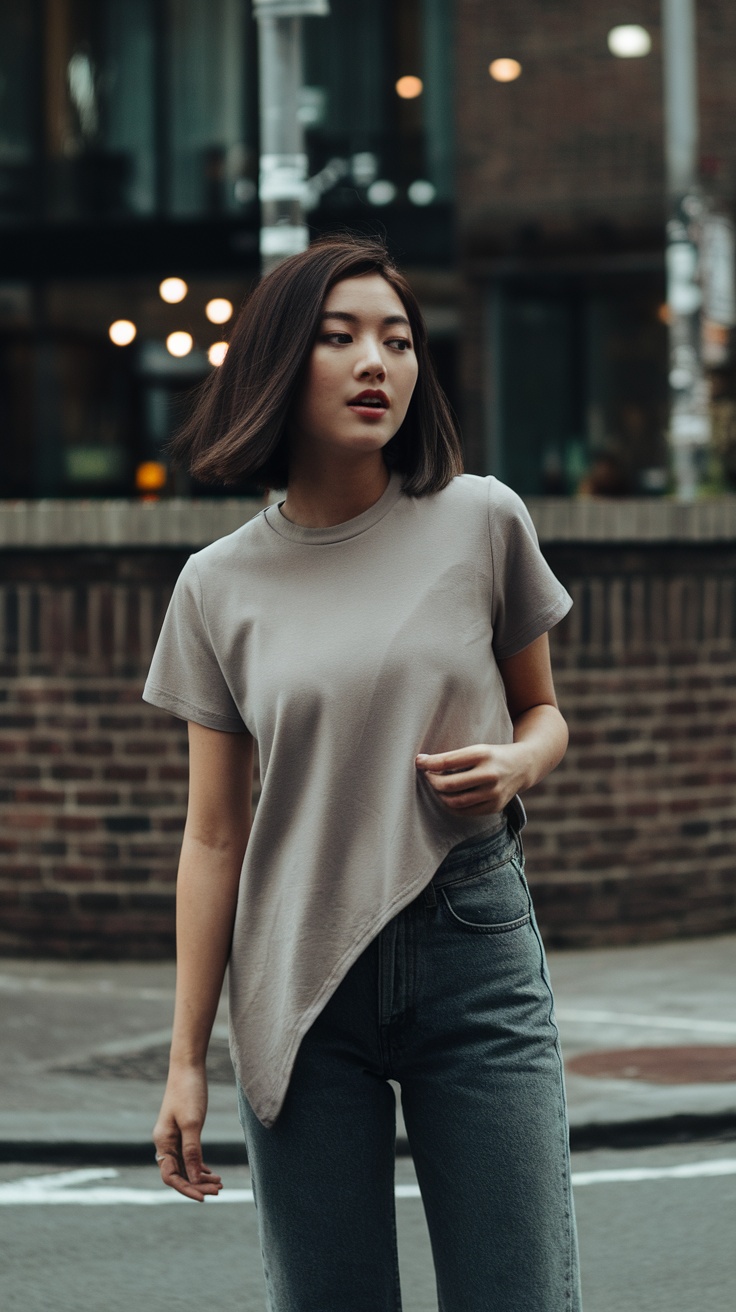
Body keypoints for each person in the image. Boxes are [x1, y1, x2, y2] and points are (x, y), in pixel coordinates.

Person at [143, 233, 582, 1311]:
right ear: (279, 363)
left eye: (396, 338)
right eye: (339, 338)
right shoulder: (215, 584)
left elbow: (545, 710)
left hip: (471, 948)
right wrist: (186, 1057)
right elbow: (212, 835)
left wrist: (516, 762)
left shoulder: (481, 518)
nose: (375, 361)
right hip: (293, 970)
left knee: (518, 1295)